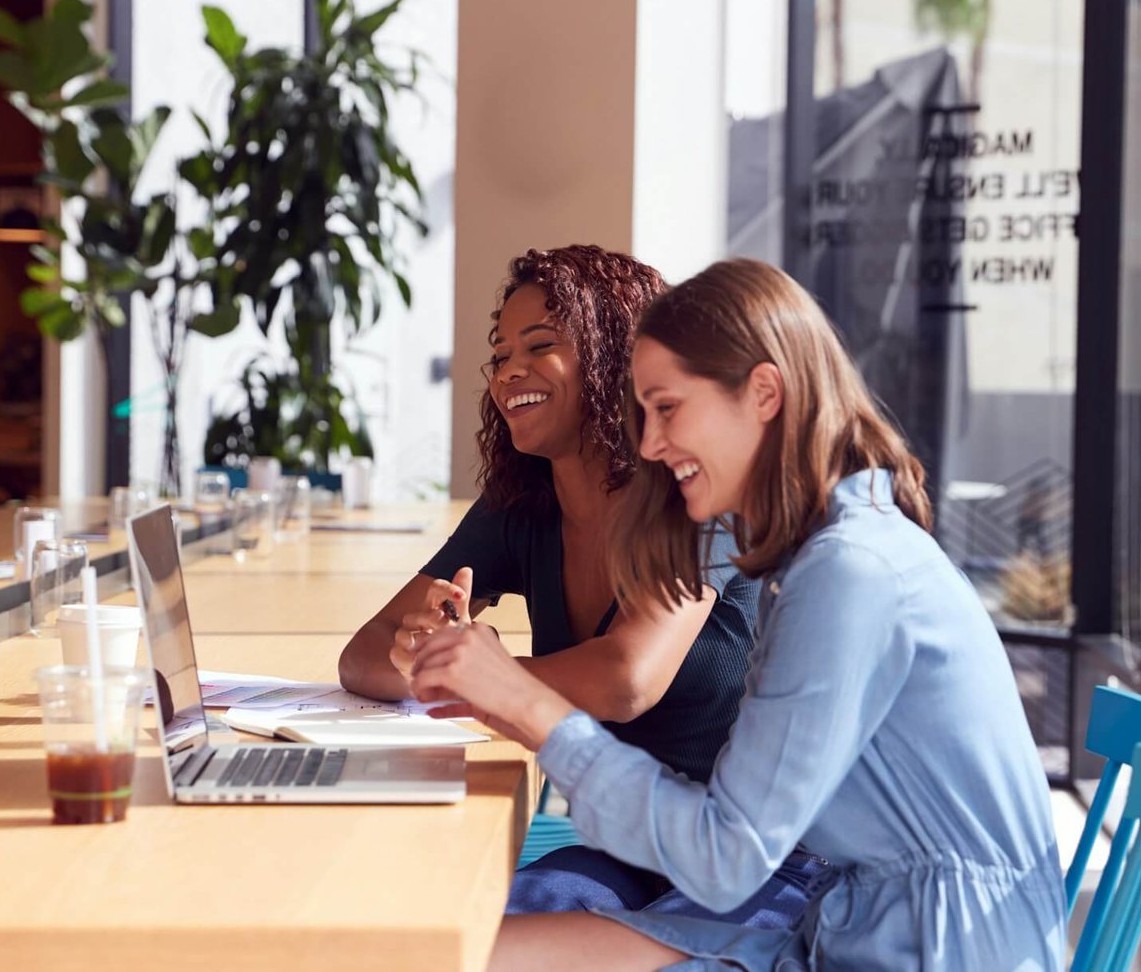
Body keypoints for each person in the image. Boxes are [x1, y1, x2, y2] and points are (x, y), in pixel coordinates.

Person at [398, 258, 1068, 970]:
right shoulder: (826, 550)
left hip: (924, 952)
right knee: (462, 950)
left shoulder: (850, 571)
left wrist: (527, 704)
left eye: (668, 409)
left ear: (763, 395)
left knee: (465, 956)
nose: (650, 444)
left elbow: (727, 855)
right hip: (848, 926)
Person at [339, 245, 820, 924]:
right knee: (445, 915)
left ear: (616, 355)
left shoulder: (694, 490)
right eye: (500, 354)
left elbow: (626, 678)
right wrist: (426, 656)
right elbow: (363, 656)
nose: (510, 373)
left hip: (757, 858)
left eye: (540, 345)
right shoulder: (521, 502)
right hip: (636, 843)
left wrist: (479, 674)